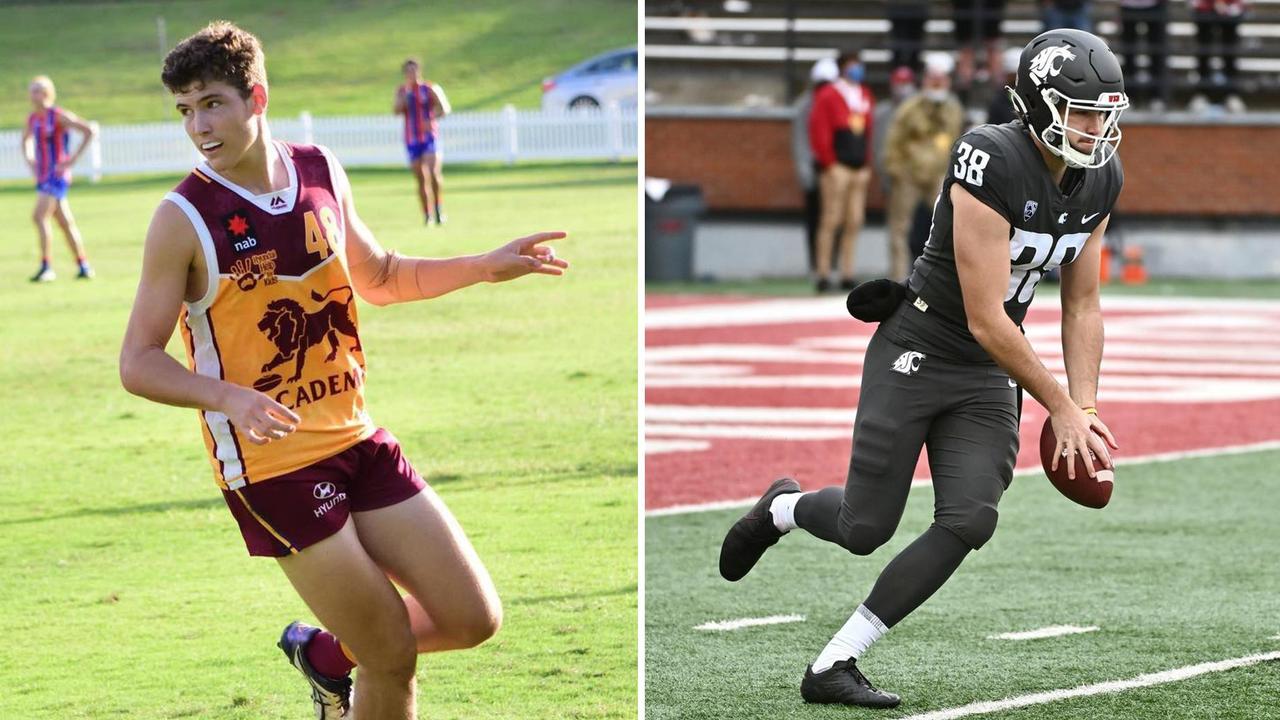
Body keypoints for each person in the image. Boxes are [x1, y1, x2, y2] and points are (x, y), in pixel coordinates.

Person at [119, 22, 567, 719]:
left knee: (473, 616)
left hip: (357, 438)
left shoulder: (319, 167)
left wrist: (482, 267)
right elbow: (138, 362)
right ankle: (347, 664)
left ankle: (325, 658)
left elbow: (382, 276)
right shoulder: (181, 217)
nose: (197, 125)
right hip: (273, 467)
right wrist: (229, 398)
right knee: (390, 657)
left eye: (211, 103)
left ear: (255, 97)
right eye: (184, 110)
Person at [719, 28, 1124, 708]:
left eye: (1105, 112)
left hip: (989, 370)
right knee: (863, 528)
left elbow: (1083, 303)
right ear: (1036, 102)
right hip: (923, 343)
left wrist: (1082, 404)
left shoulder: (1103, 177)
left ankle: (835, 662)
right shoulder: (989, 156)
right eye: (1082, 111)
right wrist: (1055, 400)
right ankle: (782, 508)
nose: (1097, 128)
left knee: (971, 518)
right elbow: (986, 317)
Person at [883, 54, 963, 280]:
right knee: (899, 229)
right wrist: (896, 171)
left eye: (941, 79)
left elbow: (956, 139)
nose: (937, 84)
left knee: (952, 225)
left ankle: (948, 277)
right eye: (933, 79)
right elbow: (893, 140)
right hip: (909, 174)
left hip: (939, 174)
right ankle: (897, 278)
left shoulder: (953, 108)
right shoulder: (910, 107)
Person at [809, 51, 875, 293]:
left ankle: (847, 272)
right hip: (837, 166)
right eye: (852, 66)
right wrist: (829, 162)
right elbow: (819, 130)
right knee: (831, 219)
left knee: (854, 220)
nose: (857, 70)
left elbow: (868, 131)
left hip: (858, 167)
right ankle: (823, 273)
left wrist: (867, 163)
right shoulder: (828, 95)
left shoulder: (864, 94)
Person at [22, 75, 97, 282]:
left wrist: (71, 160)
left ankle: (46, 266)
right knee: (64, 221)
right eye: (31, 90)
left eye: (37, 90)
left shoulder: (57, 115)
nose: (32, 94)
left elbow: (89, 130)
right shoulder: (33, 118)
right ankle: (83, 264)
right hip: (44, 176)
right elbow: (25, 140)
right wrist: (30, 160)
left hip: (56, 176)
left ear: (47, 93)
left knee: (39, 216)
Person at [792, 58, 839, 275]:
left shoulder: (838, 101)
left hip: (834, 168)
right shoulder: (806, 105)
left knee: (835, 218)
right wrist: (806, 173)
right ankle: (817, 265)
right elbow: (800, 140)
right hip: (816, 167)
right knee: (816, 219)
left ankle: (833, 263)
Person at [394, 58, 452, 225]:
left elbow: (445, 108)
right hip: (411, 139)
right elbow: (396, 111)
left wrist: (433, 119)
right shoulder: (402, 91)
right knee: (421, 178)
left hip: (429, 137)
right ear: (405, 74)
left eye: (414, 70)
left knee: (433, 173)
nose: (411, 74)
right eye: (408, 71)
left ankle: (439, 208)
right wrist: (404, 98)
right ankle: (427, 214)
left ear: (419, 71)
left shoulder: (430, 88)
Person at [1189, 0, 1248, 113]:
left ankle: (1232, 95)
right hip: (1204, 6)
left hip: (1231, 6)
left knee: (1230, 53)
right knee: (1203, 52)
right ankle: (1202, 94)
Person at [1118, 0, 1170, 109]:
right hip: (1128, 6)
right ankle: (1129, 96)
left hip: (1155, 5)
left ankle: (1157, 96)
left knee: (1156, 53)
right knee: (1128, 54)